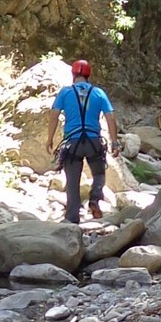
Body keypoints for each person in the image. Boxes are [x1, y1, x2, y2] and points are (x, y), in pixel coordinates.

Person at [46, 59, 119, 225]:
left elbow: (54, 115)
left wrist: (50, 138)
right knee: (99, 174)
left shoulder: (65, 92)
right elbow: (110, 117)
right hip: (93, 142)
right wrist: (114, 142)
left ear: (73, 74)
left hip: (72, 142)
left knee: (72, 182)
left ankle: (72, 218)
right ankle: (94, 199)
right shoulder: (98, 93)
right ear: (88, 75)